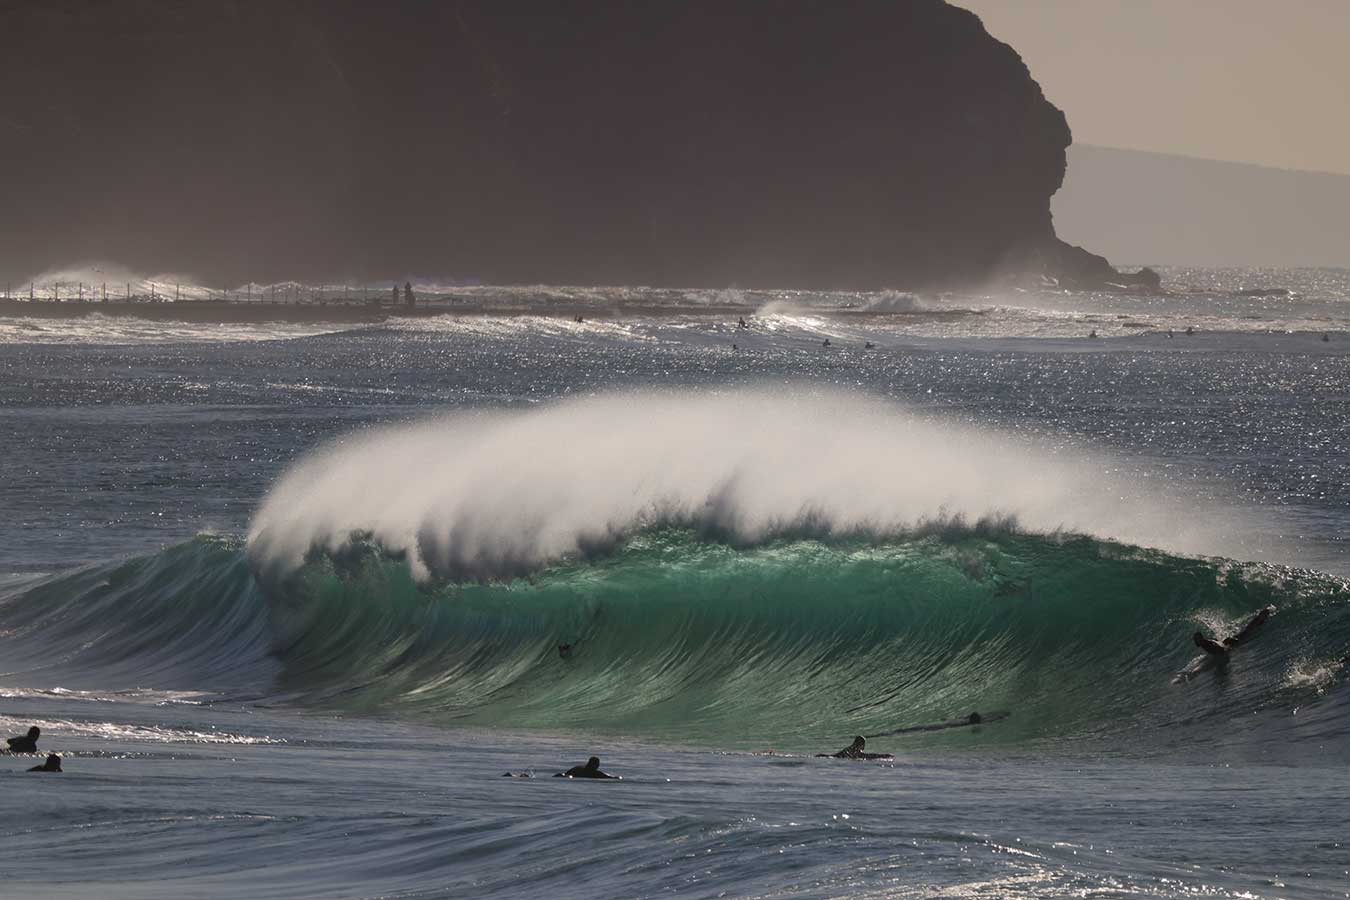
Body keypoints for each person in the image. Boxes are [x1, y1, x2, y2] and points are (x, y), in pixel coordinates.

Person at [1193, 606, 1275, 656]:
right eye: (1197, 639)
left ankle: (1263, 615)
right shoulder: (1204, 644)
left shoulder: (1207, 643)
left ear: (1201, 638)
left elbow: (1218, 645)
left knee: (1249, 631)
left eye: (1198, 639)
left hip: (1232, 642)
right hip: (1229, 641)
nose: (1197, 641)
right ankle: (1262, 616)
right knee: (1248, 630)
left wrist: (1225, 649)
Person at [816, 736, 892, 760]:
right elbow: (868, 756)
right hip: (832, 757)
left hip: (828, 756)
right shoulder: (856, 751)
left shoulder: (849, 749)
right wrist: (884, 755)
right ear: (862, 745)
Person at [555, 756, 619, 779]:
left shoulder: (577, 768)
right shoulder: (596, 773)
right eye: (597, 764)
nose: (598, 766)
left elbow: (565, 774)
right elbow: (609, 777)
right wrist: (617, 777)